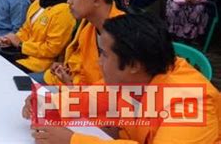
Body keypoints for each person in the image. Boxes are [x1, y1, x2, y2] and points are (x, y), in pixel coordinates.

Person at [24, 13, 220, 144]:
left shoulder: (191, 101)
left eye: (105, 55)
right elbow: (94, 97)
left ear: (134, 65)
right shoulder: (134, 79)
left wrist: (73, 140)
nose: (99, 61)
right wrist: (49, 104)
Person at [41, 0, 125, 85]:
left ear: (96, 0)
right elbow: (80, 61)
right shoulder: (89, 25)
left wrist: (71, 88)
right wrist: (66, 67)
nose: (68, 1)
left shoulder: (124, 35)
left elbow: (110, 91)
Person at [0, 0, 76, 73]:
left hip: (41, 65)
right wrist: (12, 40)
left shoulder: (64, 11)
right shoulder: (38, 3)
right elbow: (26, 30)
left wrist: (21, 46)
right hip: (23, 55)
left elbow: (52, 49)